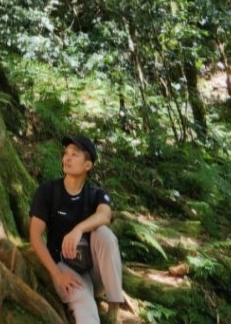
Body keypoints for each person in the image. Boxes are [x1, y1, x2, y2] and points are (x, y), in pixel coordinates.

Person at [29, 135, 138, 324]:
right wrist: (57, 274)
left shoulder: (96, 194)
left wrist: (78, 228)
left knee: (104, 234)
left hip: (96, 272)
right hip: (65, 269)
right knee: (85, 305)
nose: (67, 158)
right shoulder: (49, 191)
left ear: (88, 165)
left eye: (75, 155)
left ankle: (114, 311)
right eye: (66, 154)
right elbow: (35, 236)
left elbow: (105, 215)